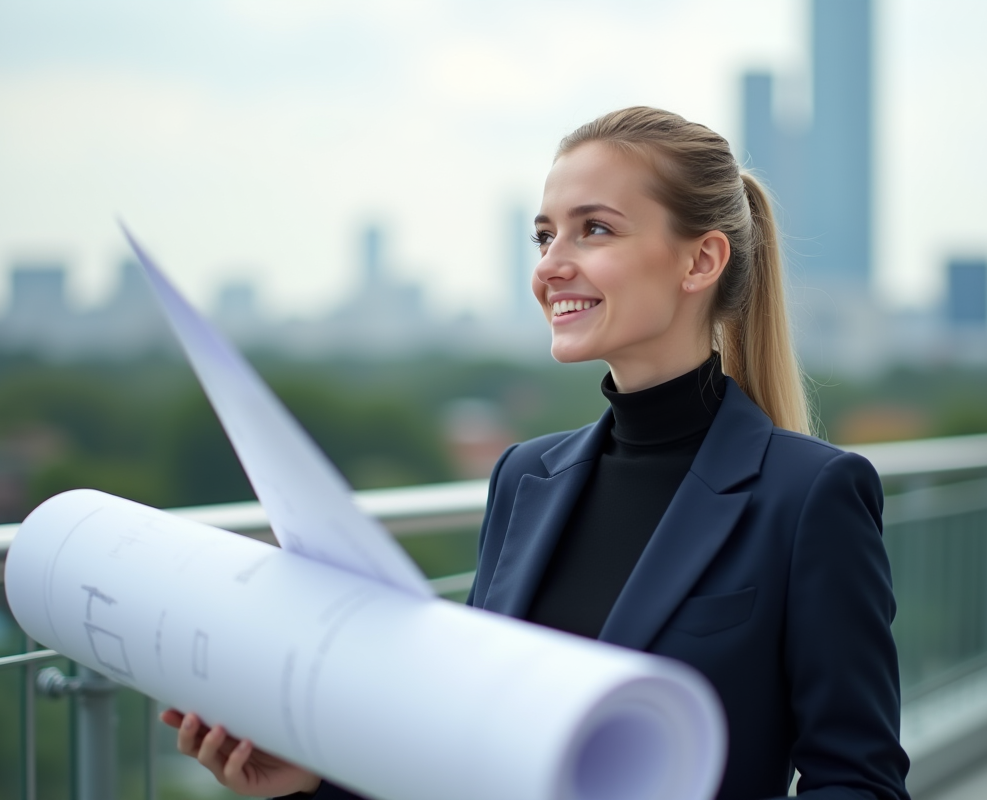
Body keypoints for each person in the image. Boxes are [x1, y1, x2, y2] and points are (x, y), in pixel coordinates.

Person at [164, 106, 911, 800]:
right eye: (544, 235)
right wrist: (315, 780)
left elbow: (859, 783)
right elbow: (469, 750)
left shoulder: (809, 494)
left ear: (700, 261)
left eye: (595, 230)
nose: (552, 264)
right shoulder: (525, 478)